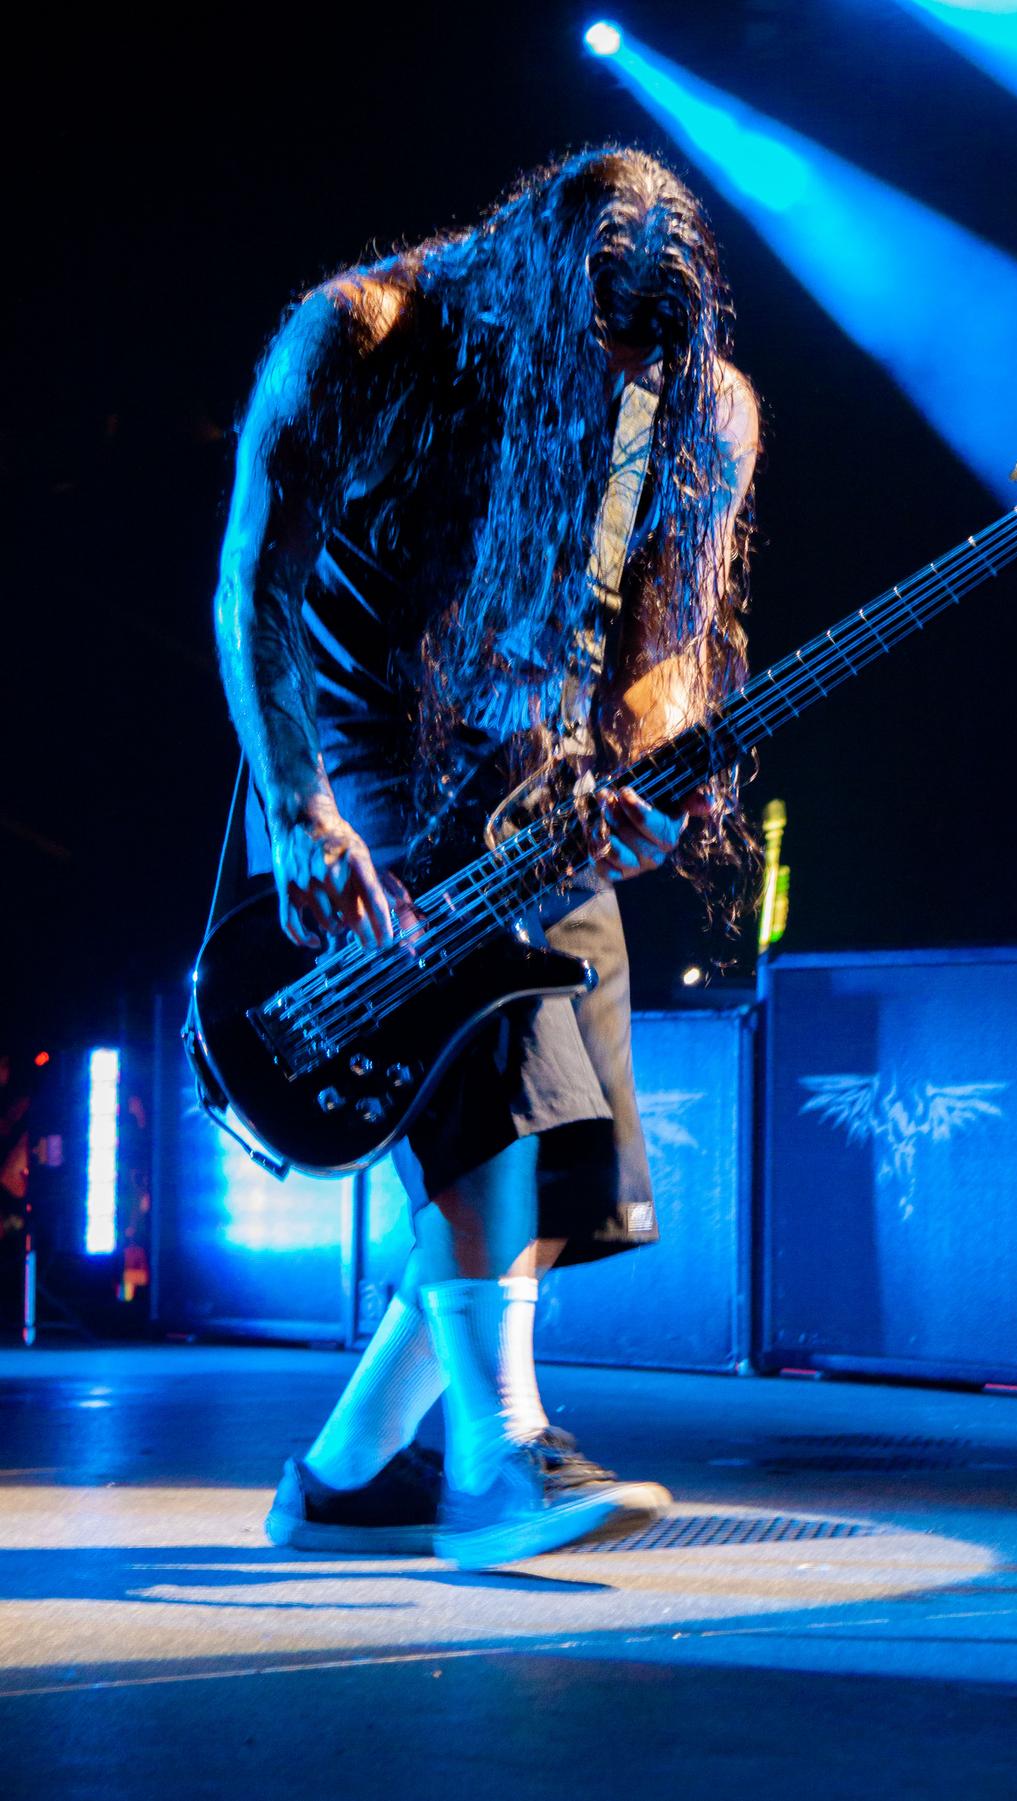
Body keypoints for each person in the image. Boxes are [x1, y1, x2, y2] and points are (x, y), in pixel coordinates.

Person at [213, 147, 759, 1569]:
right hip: (362, 742)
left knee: (567, 1163)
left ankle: (344, 1475)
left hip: (544, 766)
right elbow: (253, 583)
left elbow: (666, 646)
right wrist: (298, 804)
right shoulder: (365, 333)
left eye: (637, 364)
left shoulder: (699, 407)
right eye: (586, 354)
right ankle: (498, 1461)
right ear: (523, 289)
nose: (608, 385)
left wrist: (651, 767)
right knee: (496, 1068)